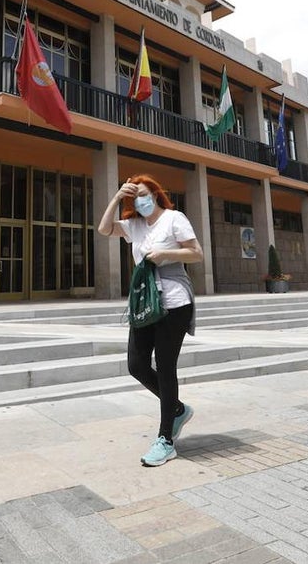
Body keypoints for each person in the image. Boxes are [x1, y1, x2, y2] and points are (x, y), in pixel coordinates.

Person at [97, 174, 204, 466]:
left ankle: (166, 440)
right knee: (137, 365)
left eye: (143, 194)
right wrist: (118, 197)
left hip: (174, 301)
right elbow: (104, 228)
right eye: (135, 197)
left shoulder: (174, 218)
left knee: (165, 365)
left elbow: (196, 253)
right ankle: (178, 409)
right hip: (145, 301)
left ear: (156, 194)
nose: (140, 200)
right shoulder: (135, 225)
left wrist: (166, 254)